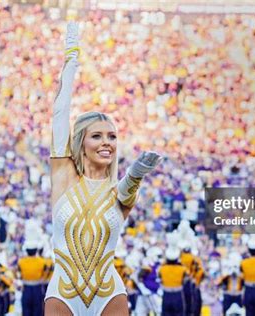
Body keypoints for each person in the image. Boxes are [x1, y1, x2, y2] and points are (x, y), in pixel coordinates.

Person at [44, 22, 162, 316]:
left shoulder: (118, 192)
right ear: (81, 141)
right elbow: (60, 113)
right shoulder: (64, 176)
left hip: (110, 295)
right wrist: (71, 57)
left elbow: (124, 192)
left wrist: (135, 173)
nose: (106, 142)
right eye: (97, 136)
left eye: (112, 136)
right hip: (63, 295)